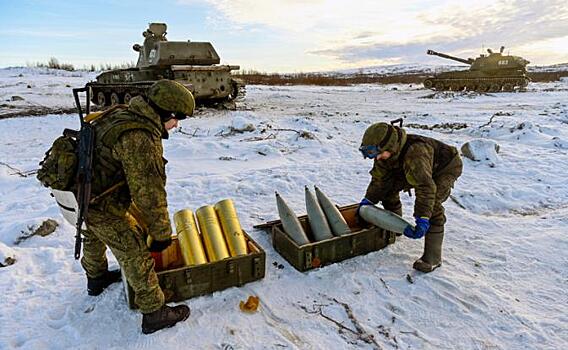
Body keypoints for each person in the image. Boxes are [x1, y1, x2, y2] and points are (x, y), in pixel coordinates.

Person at [81, 79, 195, 334]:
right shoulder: (139, 137)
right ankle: (155, 313)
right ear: (164, 112)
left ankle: (96, 278)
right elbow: (149, 195)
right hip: (99, 201)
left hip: (82, 194)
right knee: (134, 251)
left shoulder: (121, 113)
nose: (176, 125)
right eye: (177, 118)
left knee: (92, 233)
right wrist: (162, 234)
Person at [358, 122, 462, 273]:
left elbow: (426, 188)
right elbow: (379, 180)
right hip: (411, 167)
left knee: (433, 207)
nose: (377, 158)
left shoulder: (416, 153)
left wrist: (423, 217)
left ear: (389, 146)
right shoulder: (384, 155)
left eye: (377, 153)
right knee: (387, 191)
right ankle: (395, 228)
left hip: (444, 167)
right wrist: (368, 200)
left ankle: (432, 258)